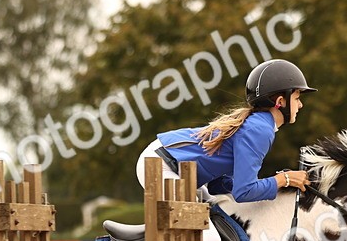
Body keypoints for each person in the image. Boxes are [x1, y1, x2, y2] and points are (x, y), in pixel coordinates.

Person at [135, 59, 316, 200]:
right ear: (280, 102)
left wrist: (274, 183)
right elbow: (244, 192)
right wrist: (284, 179)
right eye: (297, 98)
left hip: (170, 162)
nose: (300, 105)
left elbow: (219, 185)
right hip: (162, 163)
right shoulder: (260, 130)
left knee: (218, 213)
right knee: (202, 228)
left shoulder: (259, 125)